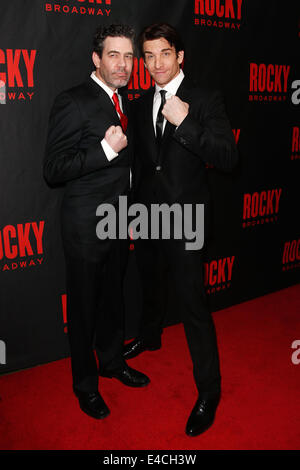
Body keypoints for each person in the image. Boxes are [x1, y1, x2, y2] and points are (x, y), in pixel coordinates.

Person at [124, 23, 238, 436]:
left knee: (192, 305)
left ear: (180, 56)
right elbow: (140, 164)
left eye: (164, 54)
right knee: (151, 283)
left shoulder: (205, 99)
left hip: (187, 220)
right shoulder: (138, 105)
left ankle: (209, 390)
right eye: (149, 56)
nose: (156, 64)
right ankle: (150, 337)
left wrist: (187, 123)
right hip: (147, 217)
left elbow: (227, 156)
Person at [44, 24, 150, 421]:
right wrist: (105, 149)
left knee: (112, 299)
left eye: (128, 57)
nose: (123, 65)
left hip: (120, 221)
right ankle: (85, 386)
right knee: (85, 308)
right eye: (114, 56)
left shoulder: (124, 100)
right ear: (96, 58)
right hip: (85, 227)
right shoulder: (72, 102)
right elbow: (53, 169)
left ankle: (112, 362)